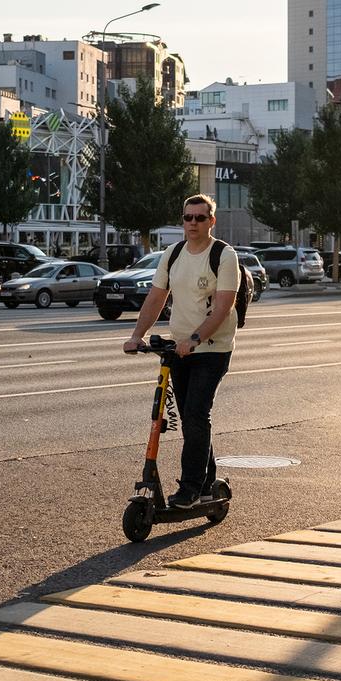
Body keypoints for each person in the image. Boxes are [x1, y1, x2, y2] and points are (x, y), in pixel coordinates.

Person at [123, 194, 239, 509]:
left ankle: (189, 489)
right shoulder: (173, 254)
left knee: (195, 415)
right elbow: (156, 296)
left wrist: (196, 338)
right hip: (180, 350)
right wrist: (137, 334)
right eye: (188, 218)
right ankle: (206, 485)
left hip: (213, 348)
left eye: (200, 218)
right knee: (191, 419)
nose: (193, 223)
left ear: (211, 221)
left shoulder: (223, 256)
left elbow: (223, 307)